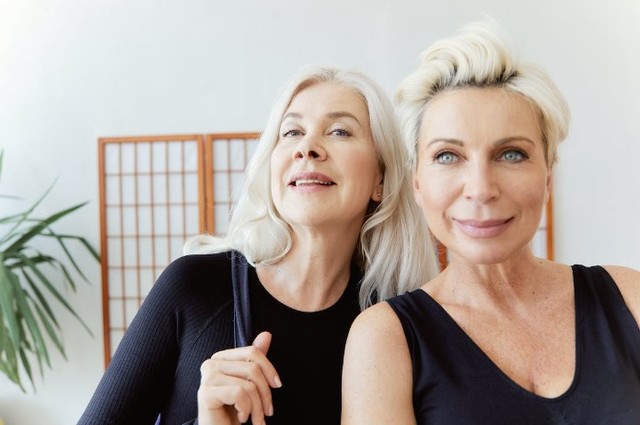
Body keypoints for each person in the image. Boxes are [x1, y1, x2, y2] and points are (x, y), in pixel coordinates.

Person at [77, 65, 440, 425]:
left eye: (339, 131)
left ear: (381, 179)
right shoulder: (193, 287)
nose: (307, 148)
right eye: (292, 132)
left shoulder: (395, 328)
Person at [342, 21, 640, 425]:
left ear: (547, 177)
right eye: (448, 156)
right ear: (417, 184)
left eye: (511, 154)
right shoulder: (385, 339)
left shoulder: (629, 297)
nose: (481, 189)